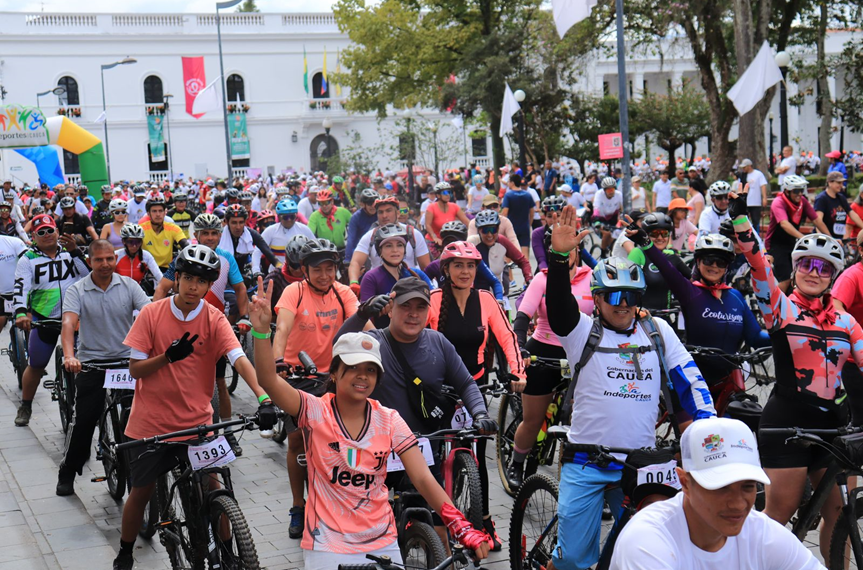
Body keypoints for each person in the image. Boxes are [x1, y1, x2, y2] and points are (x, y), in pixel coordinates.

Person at [249, 291, 490, 567]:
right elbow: (268, 380)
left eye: (371, 370)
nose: (363, 376)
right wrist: (260, 332)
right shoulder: (314, 411)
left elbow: (423, 479)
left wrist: (458, 523)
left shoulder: (389, 419)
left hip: (382, 541)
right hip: (326, 544)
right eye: (353, 368)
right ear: (335, 373)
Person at [545, 205, 715, 570]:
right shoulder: (582, 333)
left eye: (631, 297)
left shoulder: (657, 332)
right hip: (587, 461)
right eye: (614, 296)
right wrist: (559, 259)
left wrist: (710, 429)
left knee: (650, 552)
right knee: (573, 559)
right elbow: (559, 308)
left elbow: (691, 381)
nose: (623, 306)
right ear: (598, 299)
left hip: (641, 464)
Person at [112, 244, 274, 570]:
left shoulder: (213, 318)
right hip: (151, 425)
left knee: (216, 487)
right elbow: (135, 370)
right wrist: (167, 357)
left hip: (199, 423)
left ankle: (226, 552)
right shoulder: (151, 314)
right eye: (187, 278)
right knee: (140, 494)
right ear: (177, 277)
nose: (192, 287)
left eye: (201, 282)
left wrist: (263, 397)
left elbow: (238, 359)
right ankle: (126, 553)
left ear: (209, 285)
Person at [728, 188, 863, 562]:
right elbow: (758, 265)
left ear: (833, 275)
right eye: (806, 265)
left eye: (823, 268)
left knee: (838, 511)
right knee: (777, 517)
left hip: (833, 424)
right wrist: (742, 221)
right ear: (797, 268)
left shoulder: (846, 322)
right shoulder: (781, 310)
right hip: (787, 423)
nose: (813, 274)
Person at [335, 277, 497, 547]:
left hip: (424, 453)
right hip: (377, 453)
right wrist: (363, 312)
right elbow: (338, 346)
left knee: (442, 534)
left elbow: (466, 383)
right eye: (405, 306)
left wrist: (480, 414)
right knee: (364, 536)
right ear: (391, 308)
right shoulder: (373, 341)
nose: (413, 314)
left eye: (420, 308)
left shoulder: (438, 342)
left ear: (428, 311)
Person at [609, 417, 824, 570]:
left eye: (748, 486)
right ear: (685, 483)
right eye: (720, 487)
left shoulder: (763, 533)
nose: (738, 504)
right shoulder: (647, 540)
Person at [427, 241, 526, 548]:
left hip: (476, 387)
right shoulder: (433, 300)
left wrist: (518, 372)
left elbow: (508, 337)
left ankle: (483, 521)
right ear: (446, 269)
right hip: (440, 391)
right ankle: (436, 518)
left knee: (479, 458)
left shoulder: (485, 300)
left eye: (471, 266)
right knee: (433, 454)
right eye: (459, 265)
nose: (466, 272)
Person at [272, 237, 359, 539]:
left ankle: (338, 501)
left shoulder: (343, 292)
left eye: (330, 268)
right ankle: (299, 505)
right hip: (297, 376)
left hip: (334, 377)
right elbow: (282, 327)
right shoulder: (293, 292)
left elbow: (363, 326)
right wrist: (277, 360)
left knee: (340, 442)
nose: (324, 275)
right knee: (296, 442)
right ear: (305, 270)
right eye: (317, 269)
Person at [55, 240, 151, 496]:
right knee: (83, 421)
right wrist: (69, 355)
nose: (105, 264)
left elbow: (150, 315)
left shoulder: (129, 286)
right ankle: (67, 471)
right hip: (92, 364)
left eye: (110, 258)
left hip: (126, 364)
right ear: (89, 261)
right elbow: (68, 323)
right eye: (99, 260)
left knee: (142, 415)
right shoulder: (78, 290)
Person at [507, 226, 594, 491]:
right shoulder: (542, 279)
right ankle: (516, 462)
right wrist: (519, 348)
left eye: (572, 249)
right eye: (561, 250)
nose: (567, 254)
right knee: (533, 420)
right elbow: (522, 319)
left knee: (588, 420)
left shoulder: (592, 276)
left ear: (578, 250)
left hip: (580, 353)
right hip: (544, 351)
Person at [153, 214, 249, 454]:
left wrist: (245, 316)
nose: (209, 237)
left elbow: (240, 288)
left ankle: (227, 432)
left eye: (214, 233)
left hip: (213, 328)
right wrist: (155, 318)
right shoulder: (184, 257)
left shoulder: (226, 259)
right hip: (182, 328)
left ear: (220, 235)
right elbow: (163, 288)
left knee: (219, 382)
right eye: (204, 233)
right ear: (196, 235)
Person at [628, 225, 769, 385]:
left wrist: (785, 335)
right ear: (698, 262)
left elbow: (755, 338)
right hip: (695, 377)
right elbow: (666, 267)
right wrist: (645, 242)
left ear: (727, 267)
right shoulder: (690, 292)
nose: (714, 266)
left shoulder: (736, 297)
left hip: (729, 379)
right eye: (709, 260)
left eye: (721, 263)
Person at [12, 214, 90, 427]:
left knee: (85, 362)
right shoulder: (27, 259)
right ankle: (26, 405)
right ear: (33, 236)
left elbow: (88, 275)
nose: (47, 235)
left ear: (58, 231)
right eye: (41, 232)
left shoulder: (69, 252)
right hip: (44, 317)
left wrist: (75, 252)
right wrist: (20, 312)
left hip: (73, 316)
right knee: (36, 364)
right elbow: (21, 287)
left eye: (50, 230)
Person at [348, 196, 430, 292]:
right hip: (379, 288)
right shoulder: (370, 236)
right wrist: (353, 282)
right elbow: (356, 262)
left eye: (388, 211)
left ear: (398, 213)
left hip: (410, 286)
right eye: (380, 212)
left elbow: (426, 267)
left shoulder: (413, 234)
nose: (384, 215)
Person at [764, 175, 830, 293]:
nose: (800, 194)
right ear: (787, 191)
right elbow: (784, 224)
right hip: (776, 245)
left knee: (798, 278)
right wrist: (802, 237)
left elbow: (816, 220)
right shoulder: (778, 202)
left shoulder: (802, 202)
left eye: (802, 190)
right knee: (786, 280)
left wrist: (830, 238)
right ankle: (770, 307)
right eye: (796, 191)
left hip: (792, 244)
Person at [359, 224, 432, 327]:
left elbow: (434, 304)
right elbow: (366, 318)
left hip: (416, 334)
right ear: (380, 251)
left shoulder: (417, 275)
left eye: (399, 245)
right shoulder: (371, 277)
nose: (395, 250)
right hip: (383, 337)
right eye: (388, 245)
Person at [627, 212, 691, 311]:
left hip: (668, 316)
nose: (660, 238)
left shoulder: (670, 255)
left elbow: (693, 279)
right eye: (655, 234)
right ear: (647, 235)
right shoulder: (638, 253)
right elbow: (626, 285)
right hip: (643, 316)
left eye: (664, 234)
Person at [469, 210, 532, 291]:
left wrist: (529, 279)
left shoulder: (502, 241)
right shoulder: (472, 242)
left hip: (499, 294)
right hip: (476, 294)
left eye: (493, 230)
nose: (489, 235)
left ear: (498, 229)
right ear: (479, 231)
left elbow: (522, 261)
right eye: (485, 230)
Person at [219, 204, 279, 278]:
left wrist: (281, 269)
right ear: (227, 222)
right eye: (234, 222)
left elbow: (269, 254)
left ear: (245, 222)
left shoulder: (251, 234)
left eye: (241, 222)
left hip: (242, 275)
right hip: (222, 274)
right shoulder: (219, 236)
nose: (238, 227)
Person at [255, 198, 316, 268]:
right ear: (279, 217)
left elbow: (314, 250)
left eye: (292, 216)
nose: (289, 220)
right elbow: (257, 251)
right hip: (277, 272)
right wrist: (256, 270)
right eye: (285, 217)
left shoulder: (305, 230)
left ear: (296, 216)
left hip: (299, 272)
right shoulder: (270, 231)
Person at [140, 197, 188, 272]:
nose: (158, 214)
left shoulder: (173, 228)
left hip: (167, 269)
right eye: (154, 211)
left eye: (160, 211)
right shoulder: (141, 229)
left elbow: (184, 243)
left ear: (165, 212)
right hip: (146, 269)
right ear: (148, 213)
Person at [815, 170, 863, 240]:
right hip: (826, 240)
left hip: (839, 240)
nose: (841, 185)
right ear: (829, 183)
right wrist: (829, 238)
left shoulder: (841, 198)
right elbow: (818, 221)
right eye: (838, 183)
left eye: (842, 183)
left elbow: (852, 214)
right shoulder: (821, 199)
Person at [114, 224, 163, 288]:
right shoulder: (116, 255)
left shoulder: (146, 256)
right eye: (130, 242)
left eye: (138, 242)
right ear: (124, 241)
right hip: (119, 290)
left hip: (138, 291)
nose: (134, 246)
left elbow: (159, 276)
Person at [425, 181, 470, 250]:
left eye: (449, 192)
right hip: (434, 242)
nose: (448, 195)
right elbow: (428, 225)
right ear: (438, 195)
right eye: (445, 193)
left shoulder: (454, 206)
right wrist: (434, 237)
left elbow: (467, 222)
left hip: (450, 241)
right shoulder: (431, 207)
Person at [500, 173, 535, 258]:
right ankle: (527, 271)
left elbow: (505, 212)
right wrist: (529, 224)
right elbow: (532, 212)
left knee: (508, 254)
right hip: (524, 227)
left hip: (511, 227)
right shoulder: (527, 195)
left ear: (512, 183)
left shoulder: (508, 195)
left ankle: (508, 272)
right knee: (525, 253)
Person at [344, 188, 379, 264]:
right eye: (370, 203)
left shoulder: (380, 213)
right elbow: (351, 239)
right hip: (362, 249)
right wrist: (347, 259)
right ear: (363, 204)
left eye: (375, 203)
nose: (373, 206)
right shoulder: (356, 217)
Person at [0, 233, 27, 330]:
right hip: (1, 296)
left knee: (32, 324)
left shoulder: (14, 241)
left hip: (22, 292)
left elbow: (29, 260)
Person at [591, 176, 624, 253]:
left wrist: (621, 220)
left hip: (612, 218)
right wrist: (597, 222)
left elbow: (622, 209)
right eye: (609, 190)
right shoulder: (599, 194)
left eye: (612, 189)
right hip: (599, 219)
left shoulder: (618, 195)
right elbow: (596, 209)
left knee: (616, 238)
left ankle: (612, 250)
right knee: (607, 234)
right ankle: (602, 254)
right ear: (604, 190)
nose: (611, 191)